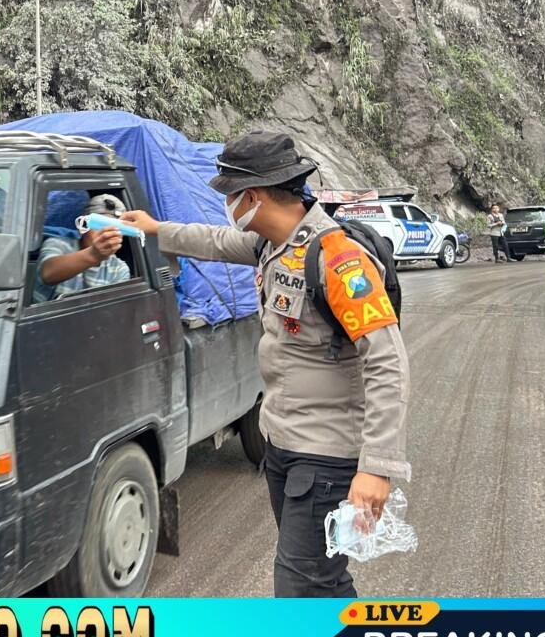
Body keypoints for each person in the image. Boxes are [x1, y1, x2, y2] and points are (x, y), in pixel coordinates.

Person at [122, 131, 410, 598]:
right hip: (283, 443)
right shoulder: (272, 244)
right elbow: (215, 241)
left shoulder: (338, 261)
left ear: (252, 197)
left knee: (300, 585)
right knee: (321, 580)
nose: (228, 206)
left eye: (229, 195)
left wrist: (377, 466)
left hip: (326, 454)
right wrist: (154, 229)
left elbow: (387, 362)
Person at [33, 194, 131, 301]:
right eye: (99, 225)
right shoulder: (58, 244)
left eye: (117, 228)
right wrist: (94, 255)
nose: (107, 233)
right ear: (83, 225)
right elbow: (48, 274)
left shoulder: (118, 269)